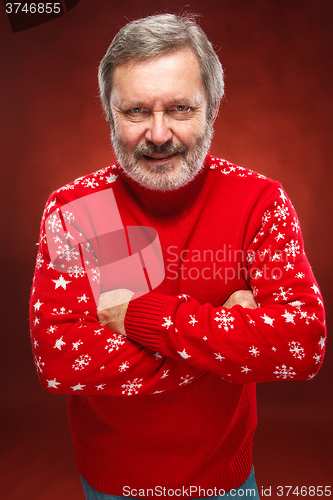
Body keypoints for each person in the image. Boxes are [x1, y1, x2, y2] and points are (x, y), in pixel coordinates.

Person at [30, 13, 326, 500]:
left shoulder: (258, 201)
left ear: (211, 109)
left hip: (226, 479)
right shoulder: (81, 208)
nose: (160, 134)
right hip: (113, 482)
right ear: (110, 113)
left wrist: (137, 316)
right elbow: (59, 359)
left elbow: (303, 342)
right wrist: (228, 344)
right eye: (137, 112)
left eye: (181, 109)